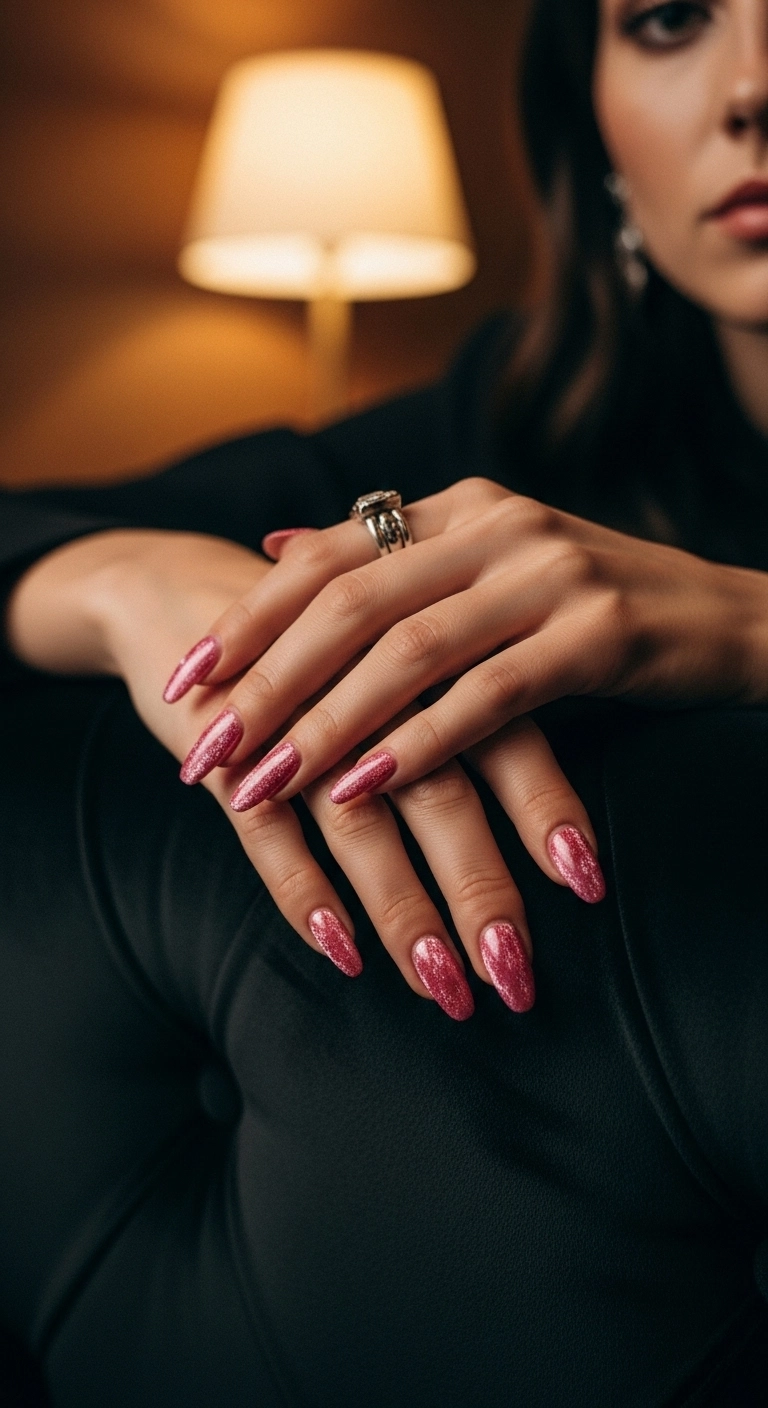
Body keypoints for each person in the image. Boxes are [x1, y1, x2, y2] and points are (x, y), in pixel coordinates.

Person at [1, 1, 767, 1403]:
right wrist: (130, 579)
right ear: (587, 127)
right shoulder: (514, 427)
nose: (752, 91)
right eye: (668, 21)